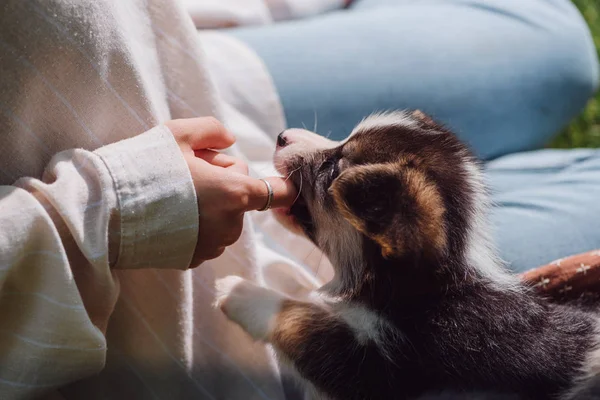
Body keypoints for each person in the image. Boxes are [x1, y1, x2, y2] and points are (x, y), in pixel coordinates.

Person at [0, 1, 597, 400]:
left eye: (333, 157)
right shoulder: (411, 311)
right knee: (585, 174)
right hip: (177, 323)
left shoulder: (411, 275)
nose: (302, 143)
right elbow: (353, 365)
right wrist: (121, 206)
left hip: (180, 75)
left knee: (554, 40)